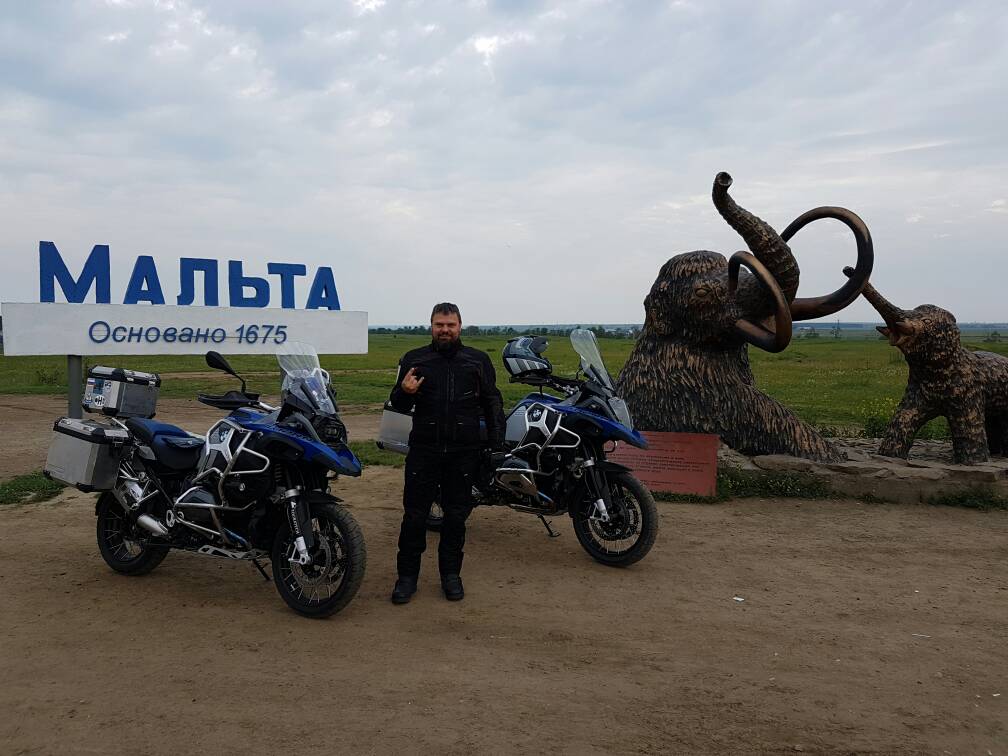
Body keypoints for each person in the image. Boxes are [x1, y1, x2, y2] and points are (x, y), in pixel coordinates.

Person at [388, 302, 505, 603]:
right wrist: (404, 392)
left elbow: (492, 403)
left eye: (450, 325)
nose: (445, 330)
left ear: (459, 326)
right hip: (424, 449)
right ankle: (406, 578)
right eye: (439, 325)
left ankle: (451, 576)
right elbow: (398, 404)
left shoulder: (477, 360)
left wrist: (496, 446)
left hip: (463, 452)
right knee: (414, 516)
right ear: (431, 326)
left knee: (455, 517)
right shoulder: (415, 359)